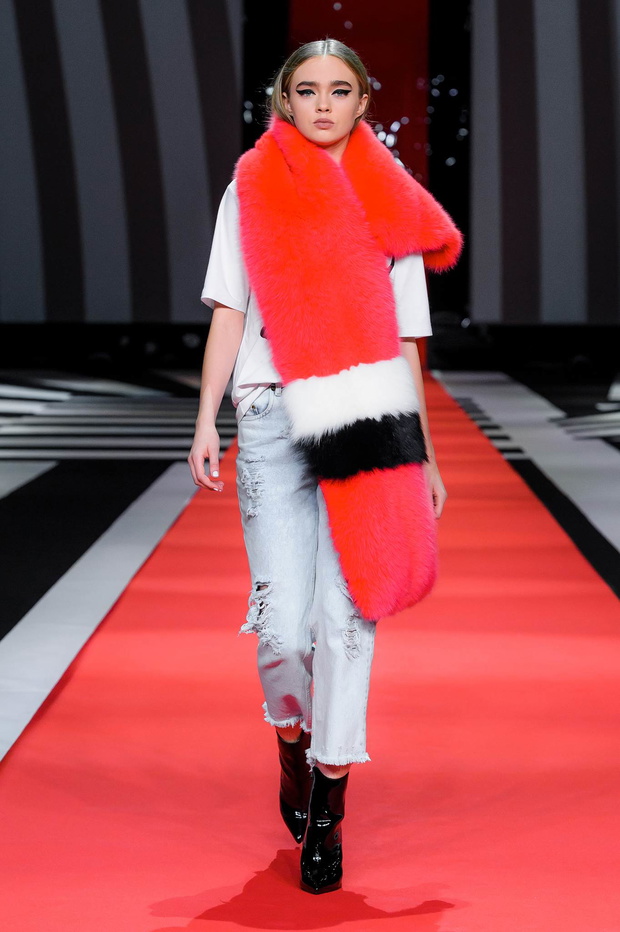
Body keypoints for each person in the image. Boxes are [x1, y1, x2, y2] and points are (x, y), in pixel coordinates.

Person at [188, 38, 462, 894]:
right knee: (281, 628)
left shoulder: (392, 199)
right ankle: (292, 742)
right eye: (305, 90)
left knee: (347, 620)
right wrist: (206, 416)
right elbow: (230, 310)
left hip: (365, 418)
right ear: (284, 98)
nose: (322, 105)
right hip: (271, 413)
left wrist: (425, 452)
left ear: (362, 101)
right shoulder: (251, 187)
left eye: (339, 91)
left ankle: (329, 811)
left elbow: (408, 339)